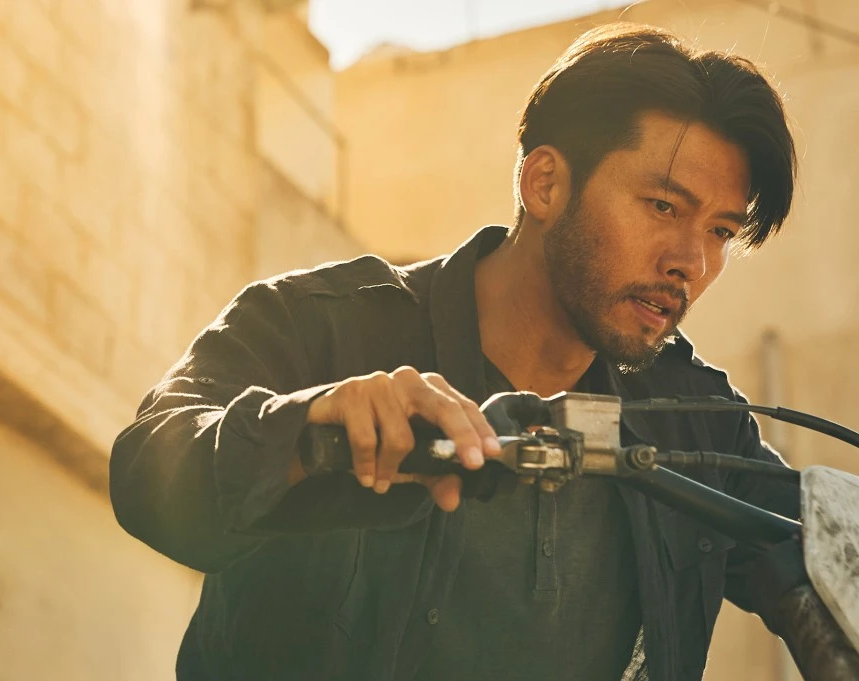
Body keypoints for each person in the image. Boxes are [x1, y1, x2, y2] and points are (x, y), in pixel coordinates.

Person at [110, 22, 803, 681]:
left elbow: (822, 553)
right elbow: (147, 473)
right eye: (663, 207)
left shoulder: (698, 422)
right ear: (546, 184)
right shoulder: (319, 325)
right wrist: (310, 429)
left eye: (720, 231)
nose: (691, 261)